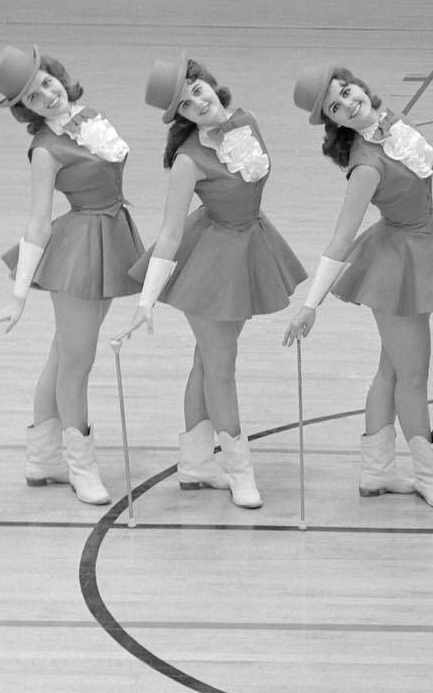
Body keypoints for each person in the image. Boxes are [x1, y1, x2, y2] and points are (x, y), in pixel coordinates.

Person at [284, 65, 433, 511]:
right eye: (336, 106)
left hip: (420, 244)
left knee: (392, 369)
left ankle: (375, 472)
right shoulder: (366, 167)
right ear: (333, 120)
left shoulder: (387, 124)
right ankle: (429, 475)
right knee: (413, 375)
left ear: (359, 85)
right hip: (398, 263)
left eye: (346, 91)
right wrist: (310, 303)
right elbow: (340, 237)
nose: (348, 102)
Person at [114, 56, 305, 509]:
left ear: (209, 85)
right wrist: (146, 302)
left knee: (206, 363)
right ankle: (239, 468)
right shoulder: (188, 160)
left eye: (196, 90)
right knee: (221, 367)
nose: (197, 102)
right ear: (180, 117)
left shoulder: (248, 121)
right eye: (185, 104)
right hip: (210, 264)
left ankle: (196, 463)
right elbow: (169, 233)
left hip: (249, 246)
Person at [0, 45, 145, 506]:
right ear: (24, 109)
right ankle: (80, 465)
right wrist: (18, 296)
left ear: (58, 76)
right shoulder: (44, 151)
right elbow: (37, 223)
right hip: (81, 252)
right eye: (32, 96)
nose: (46, 95)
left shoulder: (89, 117)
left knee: (63, 353)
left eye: (46, 83)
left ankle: (42, 457)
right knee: (77, 361)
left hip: (111, 237)